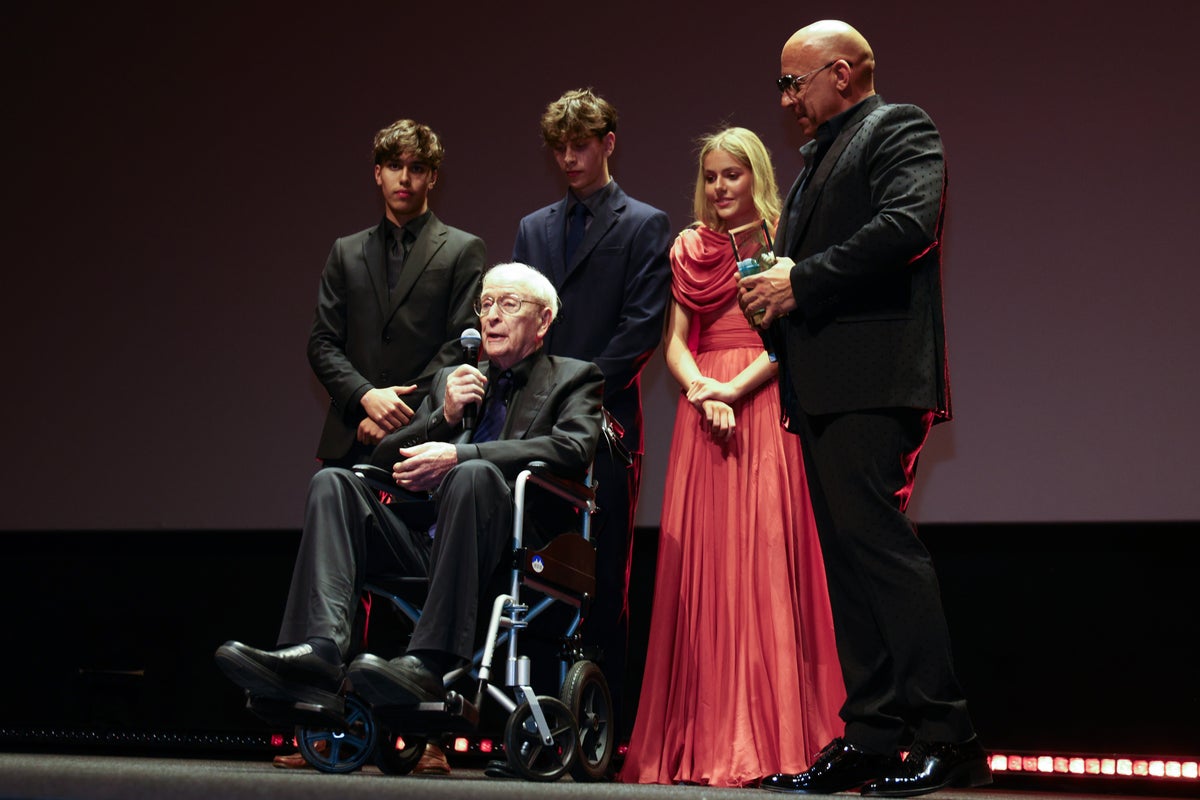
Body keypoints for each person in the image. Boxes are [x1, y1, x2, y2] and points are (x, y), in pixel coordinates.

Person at [735, 21, 991, 796]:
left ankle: (947, 734)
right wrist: (771, 290)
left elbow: (906, 227)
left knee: (878, 552)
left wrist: (798, 280)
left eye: (793, 82)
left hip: (875, 381)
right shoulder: (816, 160)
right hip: (823, 385)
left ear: (841, 73)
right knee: (850, 563)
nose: (786, 99)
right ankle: (874, 735)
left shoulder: (899, 127)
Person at [215, 263, 603, 768]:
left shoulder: (574, 377)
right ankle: (319, 653)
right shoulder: (452, 380)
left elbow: (573, 448)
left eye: (508, 304)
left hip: (505, 547)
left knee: (472, 474)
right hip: (425, 544)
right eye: (485, 304)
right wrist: (443, 418)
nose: (491, 316)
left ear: (543, 320)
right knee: (334, 483)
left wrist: (462, 455)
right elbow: (383, 462)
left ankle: (431, 662)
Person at [619, 127, 845, 787]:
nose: (720, 187)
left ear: (756, 177)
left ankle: (774, 740)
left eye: (732, 175)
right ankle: (702, 737)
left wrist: (732, 390)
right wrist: (700, 389)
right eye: (712, 176)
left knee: (766, 561)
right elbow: (675, 342)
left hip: (763, 407)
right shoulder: (690, 247)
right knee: (706, 568)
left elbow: (788, 343)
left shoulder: (783, 238)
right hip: (704, 415)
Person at [512, 88, 671, 740]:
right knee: (536, 566)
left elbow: (641, 328)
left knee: (604, 574)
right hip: (539, 427)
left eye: (580, 146)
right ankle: (536, 724)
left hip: (607, 424)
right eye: (560, 148)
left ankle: (607, 732)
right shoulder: (534, 228)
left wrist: (572, 393)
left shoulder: (644, 223)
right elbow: (520, 323)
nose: (569, 158)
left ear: (608, 143)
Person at [308, 118, 485, 469]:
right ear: (378, 173)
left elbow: (460, 343)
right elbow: (322, 343)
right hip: (352, 432)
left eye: (416, 168)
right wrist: (366, 396)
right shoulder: (346, 251)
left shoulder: (463, 249)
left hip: (425, 434)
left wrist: (397, 412)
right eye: (394, 166)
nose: (404, 178)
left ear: (432, 177)